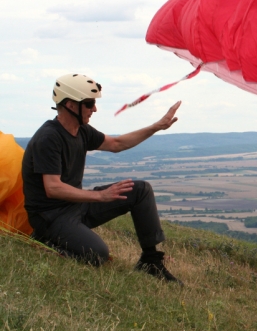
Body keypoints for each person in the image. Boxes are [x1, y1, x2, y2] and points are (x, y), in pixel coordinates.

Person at [22, 73, 182, 284]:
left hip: (76, 205)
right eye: (89, 104)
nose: (94, 109)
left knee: (140, 190)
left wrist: (156, 127)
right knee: (97, 255)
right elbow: (53, 188)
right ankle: (45, 242)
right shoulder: (49, 138)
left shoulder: (81, 131)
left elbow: (117, 144)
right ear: (70, 105)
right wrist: (100, 196)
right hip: (51, 216)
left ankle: (150, 261)